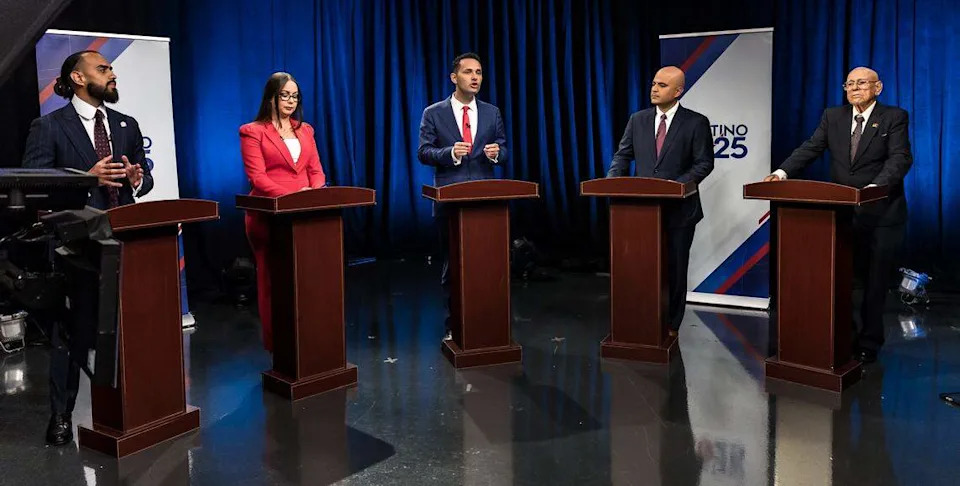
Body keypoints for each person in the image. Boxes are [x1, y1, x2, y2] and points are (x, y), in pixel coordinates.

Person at [21, 50, 154, 446]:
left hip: (125, 238)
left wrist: (135, 178)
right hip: (75, 246)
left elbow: (143, 179)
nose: (112, 74)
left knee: (129, 329)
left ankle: (135, 407)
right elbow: (32, 187)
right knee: (72, 335)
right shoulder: (49, 127)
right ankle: (61, 416)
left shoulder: (126, 124)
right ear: (78, 78)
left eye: (111, 68)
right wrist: (85, 178)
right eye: (104, 68)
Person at [763, 67, 912, 363]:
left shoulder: (894, 117)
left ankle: (870, 343)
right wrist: (782, 172)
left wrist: (875, 186)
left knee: (875, 282)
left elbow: (900, 157)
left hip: (883, 213)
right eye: (849, 84)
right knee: (848, 279)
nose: (855, 88)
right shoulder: (834, 116)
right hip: (844, 212)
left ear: (878, 87)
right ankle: (847, 338)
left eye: (861, 83)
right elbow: (811, 147)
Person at [607, 66, 715, 337]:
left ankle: (671, 323)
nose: (654, 89)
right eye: (653, 83)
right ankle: (643, 316)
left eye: (662, 85)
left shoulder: (696, 122)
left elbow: (704, 163)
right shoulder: (638, 119)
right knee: (643, 266)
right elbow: (623, 155)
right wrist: (613, 180)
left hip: (680, 211)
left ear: (678, 91)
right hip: (642, 212)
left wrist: (675, 186)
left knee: (676, 269)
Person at [417, 52, 507, 340]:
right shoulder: (434, 113)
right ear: (454, 77)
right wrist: (449, 153)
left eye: (479, 72)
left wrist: (497, 154)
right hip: (450, 201)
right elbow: (424, 152)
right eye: (468, 72)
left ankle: (485, 324)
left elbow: (503, 148)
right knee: (453, 266)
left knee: (485, 265)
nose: (475, 77)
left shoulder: (492, 112)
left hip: (484, 202)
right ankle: (454, 326)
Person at [240, 72, 326, 352]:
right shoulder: (252, 131)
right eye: (285, 95)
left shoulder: (306, 130)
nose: (291, 101)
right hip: (269, 216)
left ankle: (309, 340)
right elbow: (258, 178)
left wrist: (312, 195)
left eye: (295, 96)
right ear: (272, 97)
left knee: (308, 278)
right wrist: (291, 198)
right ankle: (278, 345)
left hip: (305, 215)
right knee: (273, 281)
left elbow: (316, 171)